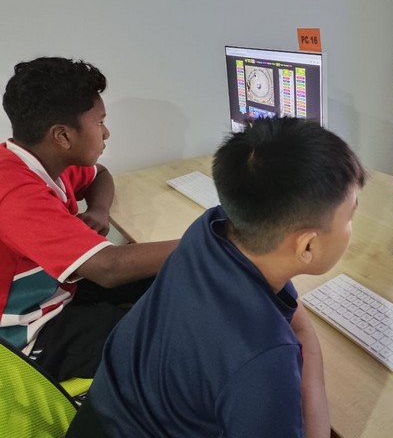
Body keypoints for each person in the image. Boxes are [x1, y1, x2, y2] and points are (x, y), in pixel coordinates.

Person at [67, 117, 367, 437]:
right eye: (350, 216)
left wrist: (305, 346)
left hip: (105, 416)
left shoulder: (211, 229)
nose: (351, 227)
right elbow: (287, 339)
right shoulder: (262, 361)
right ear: (307, 246)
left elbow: (299, 323)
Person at [0, 57, 179, 382]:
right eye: (100, 122)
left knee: (170, 279)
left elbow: (101, 175)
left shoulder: (46, 162)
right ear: (63, 136)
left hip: (62, 292)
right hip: (27, 334)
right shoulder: (14, 191)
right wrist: (210, 238)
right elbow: (109, 268)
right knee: (167, 345)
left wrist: (98, 210)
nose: (106, 132)